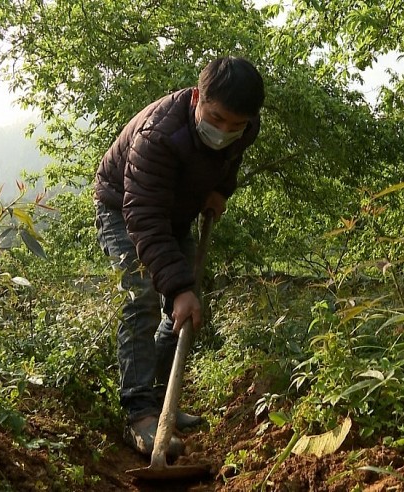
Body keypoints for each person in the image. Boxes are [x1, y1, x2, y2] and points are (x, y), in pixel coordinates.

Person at [94, 56, 265, 457]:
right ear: (195, 97)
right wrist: (178, 287)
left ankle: (161, 403)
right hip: (126, 208)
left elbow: (229, 160)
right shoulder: (159, 135)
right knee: (145, 296)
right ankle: (139, 414)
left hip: (176, 210)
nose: (224, 131)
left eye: (234, 125)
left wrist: (222, 190)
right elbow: (143, 217)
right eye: (216, 118)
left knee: (182, 312)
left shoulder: (245, 126)